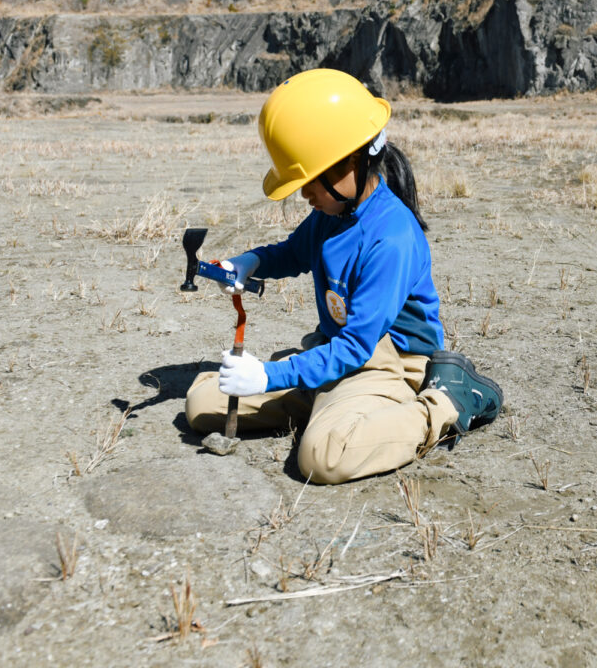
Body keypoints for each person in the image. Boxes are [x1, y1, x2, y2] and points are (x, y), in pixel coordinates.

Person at [184, 68, 503, 484]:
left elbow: (356, 348)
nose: (303, 194)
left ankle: (448, 402)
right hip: (334, 353)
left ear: (350, 162)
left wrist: (267, 376)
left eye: (310, 180)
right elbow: (293, 253)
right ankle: (327, 403)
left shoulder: (391, 237)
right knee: (201, 404)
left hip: (386, 366)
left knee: (324, 456)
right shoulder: (330, 213)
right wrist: (251, 261)